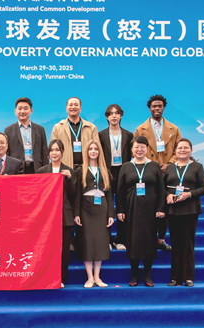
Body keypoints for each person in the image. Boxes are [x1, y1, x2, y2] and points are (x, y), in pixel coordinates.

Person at [134, 95, 182, 252]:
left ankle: (161, 239)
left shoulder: (174, 129)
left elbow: (179, 149)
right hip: (148, 173)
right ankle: (147, 238)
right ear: (149, 108)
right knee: (148, 206)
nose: (157, 108)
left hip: (167, 173)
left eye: (160, 106)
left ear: (164, 108)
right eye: (154, 106)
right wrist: (150, 165)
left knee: (164, 206)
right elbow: (135, 150)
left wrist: (169, 164)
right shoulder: (140, 129)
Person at [116, 136, 166, 287]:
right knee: (133, 242)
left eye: (142, 147)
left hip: (150, 209)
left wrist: (161, 208)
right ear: (132, 149)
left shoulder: (154, 166)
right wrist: (120, 210)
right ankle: (134, 275)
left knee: (149, 241)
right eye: (136, 147)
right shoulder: (126, 166)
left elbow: (161, 190)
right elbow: (120, 191)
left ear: (147, 148)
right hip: (131, 209)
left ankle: (147, 275)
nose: (139, 150)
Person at [164, 138, 204, 287]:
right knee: (175, 243)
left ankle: (188, 277)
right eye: (180, 148)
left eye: (186, 148)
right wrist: (167, 195)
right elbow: (162, 188)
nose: (182, 150)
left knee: (188, 243)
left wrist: (189, 194)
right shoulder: (170, 167)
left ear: (191, 150)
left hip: (190, 210)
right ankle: (175, 277)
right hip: (173, 210)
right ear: (175, 151)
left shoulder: (197, 166)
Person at [73, 139, 114, 288]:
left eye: (96, 149)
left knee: (100, 242)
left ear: (99, 152)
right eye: (90, 149)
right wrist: (77, 213)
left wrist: (110, 214)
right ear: (87, 151)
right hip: (86, 208)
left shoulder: (105, 170)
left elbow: (109, 194)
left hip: (101, 209)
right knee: (88, 242)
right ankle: (89, 277)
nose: (93, 151)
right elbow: (77, 194)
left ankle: (97, 277)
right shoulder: (80, 170)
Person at [37, 140, 76, 288]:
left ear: (62, 152)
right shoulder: (42, 171)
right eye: (52, 150)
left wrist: (70, 179)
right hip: (46, 217)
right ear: (48, 153)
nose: (54, 153)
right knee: (46, 249)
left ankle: (62, 278)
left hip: (64, 216)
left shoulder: (70, 171)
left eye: (57, 150)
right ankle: (46, 278)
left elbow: (73, 195)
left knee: (64, 250)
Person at [98, 104, 133, 251]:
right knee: (105, 207)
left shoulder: (129, 135)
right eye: (111, 113)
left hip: (123, 173)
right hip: (107, 172)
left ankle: (119, 239)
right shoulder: (100, 135)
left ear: (121, 116)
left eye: (116, 113)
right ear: (107, 117)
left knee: (122, 207)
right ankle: (106, 239)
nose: (114, 116)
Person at [50, 97, 99, 170]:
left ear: (80, 108)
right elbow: (53, 152)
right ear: (66, 108)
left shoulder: (91, 128)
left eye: (76, 105)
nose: (73, 107)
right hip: (66, 169)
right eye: (70, 105)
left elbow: (98, 150)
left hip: (87, 169)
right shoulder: (58, 128)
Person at [4, 97, 48, 174]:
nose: (22, 111)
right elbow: (6, 153)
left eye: (25, 108)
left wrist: (46, 170)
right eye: (20, 108)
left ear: (31, 111)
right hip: (16, 169)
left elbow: (44, 152)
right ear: (15, 111)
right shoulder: (8, 130)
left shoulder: (40, 129)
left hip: (36, 168)